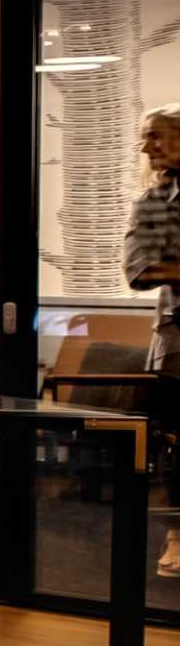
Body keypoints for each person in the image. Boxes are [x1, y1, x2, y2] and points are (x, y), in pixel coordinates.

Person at [123, 105, 180, 576]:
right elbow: (140, 270)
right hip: (177, 339)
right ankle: (177, 538)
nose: (146, 148)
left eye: (157, 137)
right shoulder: (154, 201)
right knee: (177, 442)